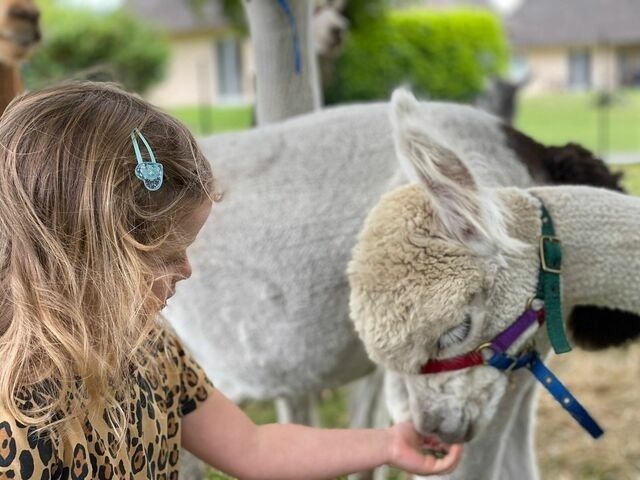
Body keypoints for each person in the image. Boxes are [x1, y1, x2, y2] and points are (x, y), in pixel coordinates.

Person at [0, 81, 462, 479]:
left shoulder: (151, 349)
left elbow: (252, 446)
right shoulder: (19, 427)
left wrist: (386, 445)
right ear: (79, 254)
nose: (187, 269)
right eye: (164, 255)